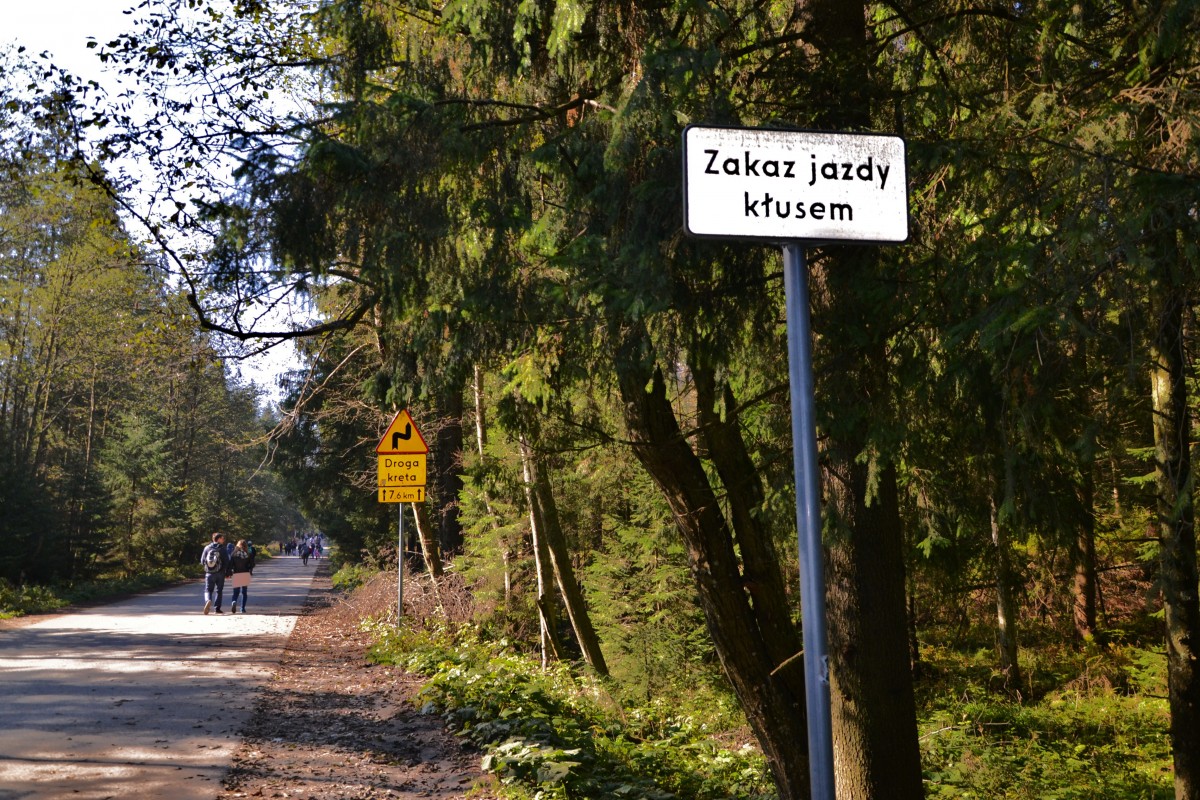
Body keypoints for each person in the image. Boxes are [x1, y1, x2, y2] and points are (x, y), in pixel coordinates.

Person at [201, 532, 230, 614]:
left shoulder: (207, 548)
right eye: (222, 538)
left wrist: (208, 567)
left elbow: (202, 561)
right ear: (218, 539)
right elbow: (226, 562)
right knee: (219, 590)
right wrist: (227, 573)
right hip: (220, 573)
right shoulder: (222, 549)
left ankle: (208, 600)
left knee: (208, 590)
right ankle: (217, 609)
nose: (223, 540)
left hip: (209, 573)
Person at [229, 539, 255, 614]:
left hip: (236, 573)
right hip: (245, 573)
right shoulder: (248, 554)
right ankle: (242, 608)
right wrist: (249, 568)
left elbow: (230, 565)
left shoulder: (234, 554)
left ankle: (234, 601)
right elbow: (252, 564)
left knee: (235, 592)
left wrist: (230, 572)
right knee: (244, 592)